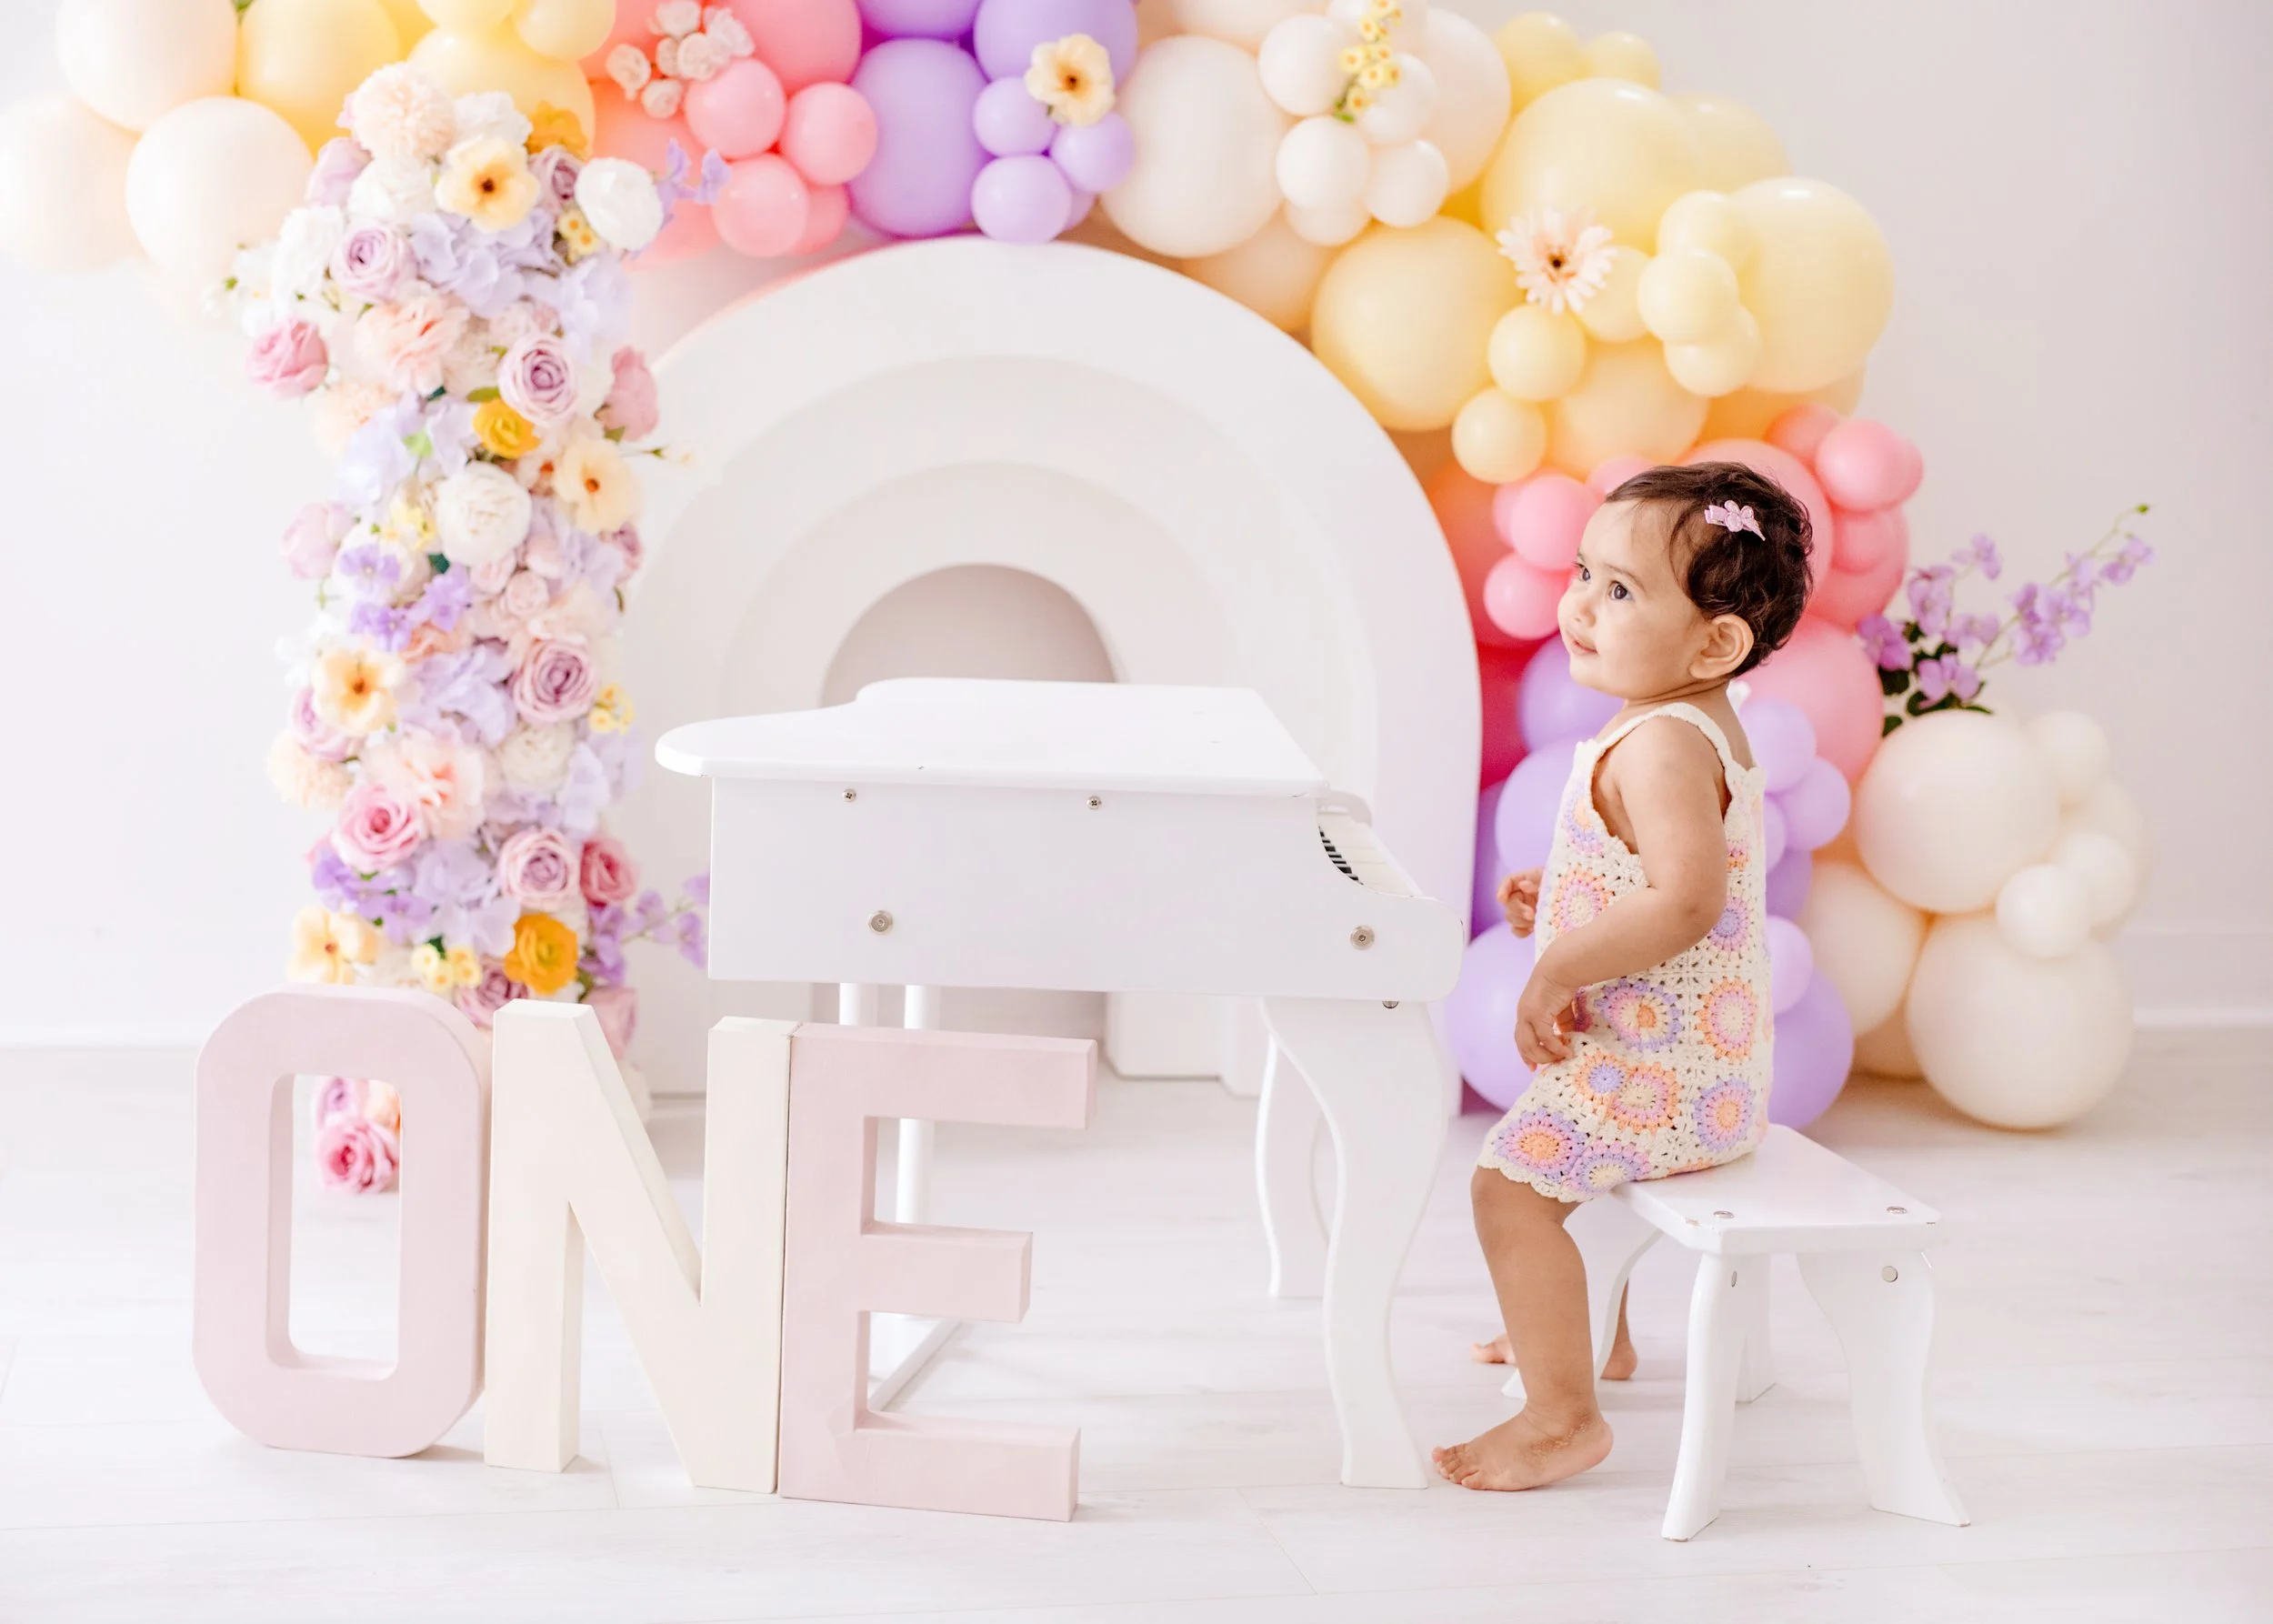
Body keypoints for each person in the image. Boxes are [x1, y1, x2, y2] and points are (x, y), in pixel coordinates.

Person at [1434, 461, 1815, 1493]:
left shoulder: (1657, 745)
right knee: (1557, 1163)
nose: (1578, 606)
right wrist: (1559, 898)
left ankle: (1562, 1416)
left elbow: (1686, 901)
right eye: (1581, 572)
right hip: (1699, 1072)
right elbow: (1650, 876)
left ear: (1714, 642)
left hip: (1673, 1081)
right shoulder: (1679, 725)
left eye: (1619, 590)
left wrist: (1557, 959)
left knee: (1508, 1187)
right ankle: (1593, 1337)